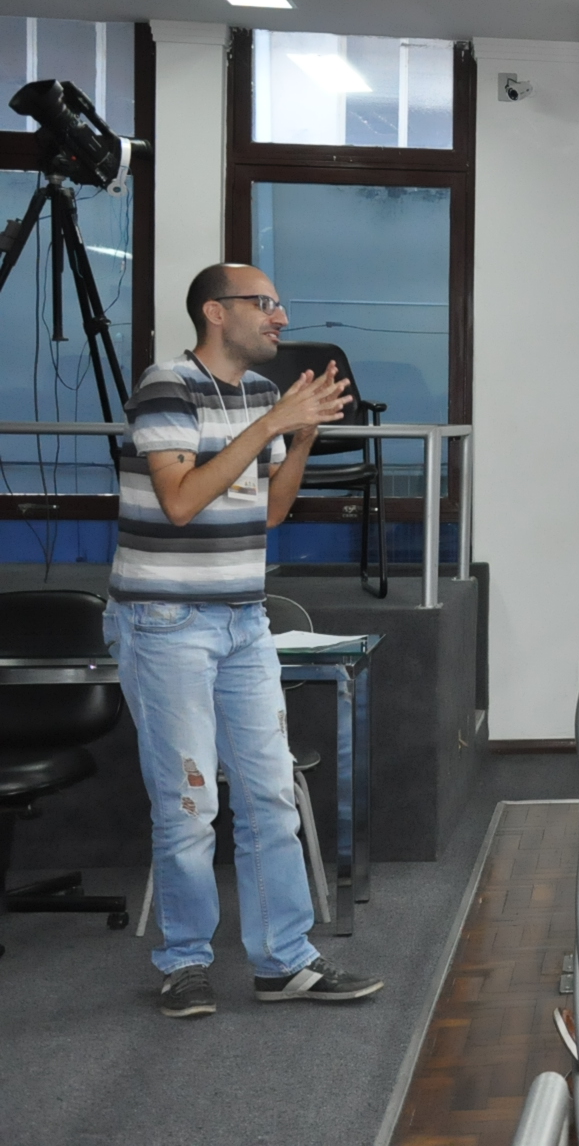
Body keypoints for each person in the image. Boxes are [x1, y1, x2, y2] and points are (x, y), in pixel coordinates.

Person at [111, 263, 382, 1019]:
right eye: (263, 304)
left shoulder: (262, 395)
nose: (280, 317)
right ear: (214, 312)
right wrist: (269, 426)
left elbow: (265, 514)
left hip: (241, 619)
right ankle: (186, 963)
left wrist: (296, 439)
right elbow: (180, 502)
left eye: (279, 304)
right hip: (165, 624)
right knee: (191, 804)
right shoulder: (167, 387)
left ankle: (284, 962)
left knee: (269, 796)